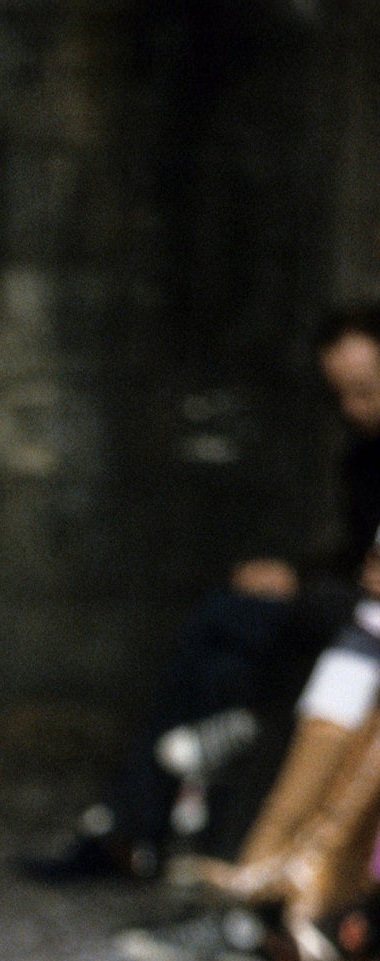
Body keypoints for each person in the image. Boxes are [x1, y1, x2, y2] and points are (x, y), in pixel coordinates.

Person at [19, 303, 380, 883]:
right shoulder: (364, 451)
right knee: (225, 640)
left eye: (364, 390)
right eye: (342, 393)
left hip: (359, 624)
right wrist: (298, 573)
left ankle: (145, 827)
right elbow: (356, 552)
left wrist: (313, 582)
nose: (353, 408)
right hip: (348, 609)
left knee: (239, 637)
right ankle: (146, 826)